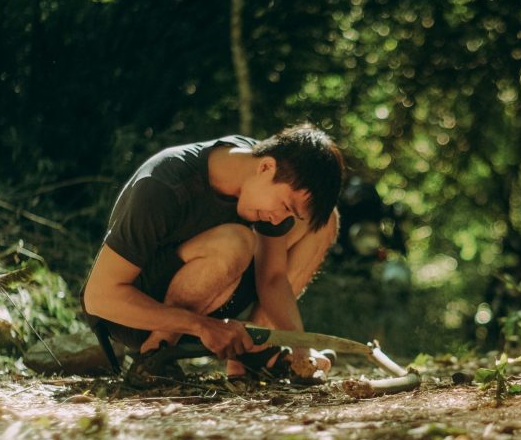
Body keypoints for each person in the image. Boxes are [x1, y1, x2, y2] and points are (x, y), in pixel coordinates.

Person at [81, 124, 344, 378]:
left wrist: (300, 347)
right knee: (236, 241)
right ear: (266, 167)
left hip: (213, 300)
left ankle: (253, 353)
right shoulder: (164, 183)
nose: (279, 220)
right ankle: (156, 353)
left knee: (323, 223)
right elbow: (98, 298)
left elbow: (273, 279)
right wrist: (201, 326)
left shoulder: (262, 169)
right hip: (133, 314)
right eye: (285, 206)